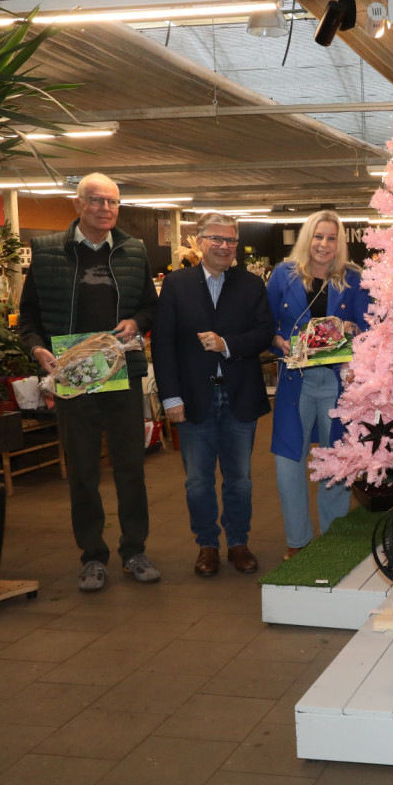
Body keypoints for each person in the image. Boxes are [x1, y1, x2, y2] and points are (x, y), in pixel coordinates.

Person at [18, 172, 159, 592]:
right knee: (82, 471)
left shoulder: (134, 251)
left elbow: (151, 308)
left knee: (131, 468)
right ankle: (92, 556)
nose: (106, 209)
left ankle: (134, 550)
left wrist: (137, 321)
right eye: (96, 201)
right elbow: (28, 318)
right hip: (74, 377)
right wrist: (37, 349)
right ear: (77, 204)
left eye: (113, 202)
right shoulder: (46, 252)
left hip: (120, 375)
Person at [153, 213, 273, 577]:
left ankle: (238, 542)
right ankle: (207, 544)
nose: (224, 246)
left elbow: (265, 332)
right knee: (198, 480)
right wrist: (171, 398)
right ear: (200, 241)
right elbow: (163, 344)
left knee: (240, 478)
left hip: (240, 395)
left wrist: (227, 345)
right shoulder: (177, 284)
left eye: (231, 240)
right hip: (192, 399)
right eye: (216, 239)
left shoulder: (251, 285)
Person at [269, 210, 371, 559]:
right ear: (306, 238)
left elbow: (369, 326)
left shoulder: (354, 278)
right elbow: (267, 323)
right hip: (294, 380)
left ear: (339, 243)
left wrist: (353, 330)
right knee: (288, 462)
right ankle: (297, 541)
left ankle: (333, 536)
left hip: (337, 382)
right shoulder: (282, 275)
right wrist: (278, 341)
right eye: (318, 236)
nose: (324, 245)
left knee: (337, 460)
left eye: (331, 238)